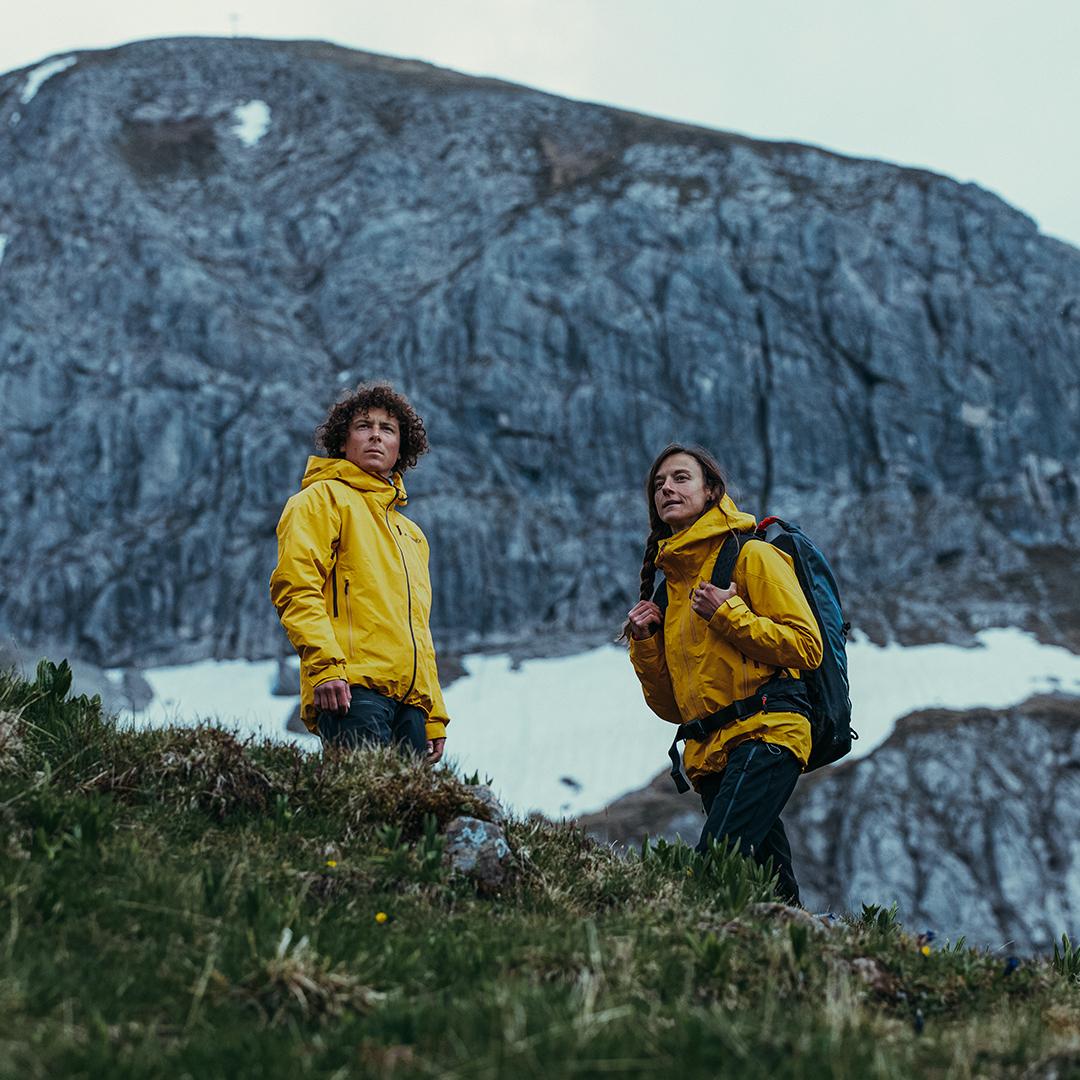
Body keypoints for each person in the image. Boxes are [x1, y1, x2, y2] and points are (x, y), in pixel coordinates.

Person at [625, 444, 822, 904]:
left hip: (769, 732)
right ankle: (804, 964)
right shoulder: (670, 590)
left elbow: (806, 646)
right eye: (658, 484)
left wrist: (727, 614)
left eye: (680, 478)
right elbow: (672, 707)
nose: (666, 489)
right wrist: (647, 643)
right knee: (769, 889)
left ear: (713, 491)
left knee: (714, 865)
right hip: (711, 755)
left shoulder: (751, 556)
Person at [270, 383, 449, 763]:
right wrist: (324, 668)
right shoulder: (320, 500)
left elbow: (419, 628)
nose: (375, 436)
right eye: (363, 426)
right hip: (350, 690)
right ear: (342, 440)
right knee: (363, 817)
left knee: (407, 821)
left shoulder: (411, 535)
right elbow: (297, 589)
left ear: (402, 447)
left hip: (410, 707)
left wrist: (433, 716)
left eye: (388, 429)